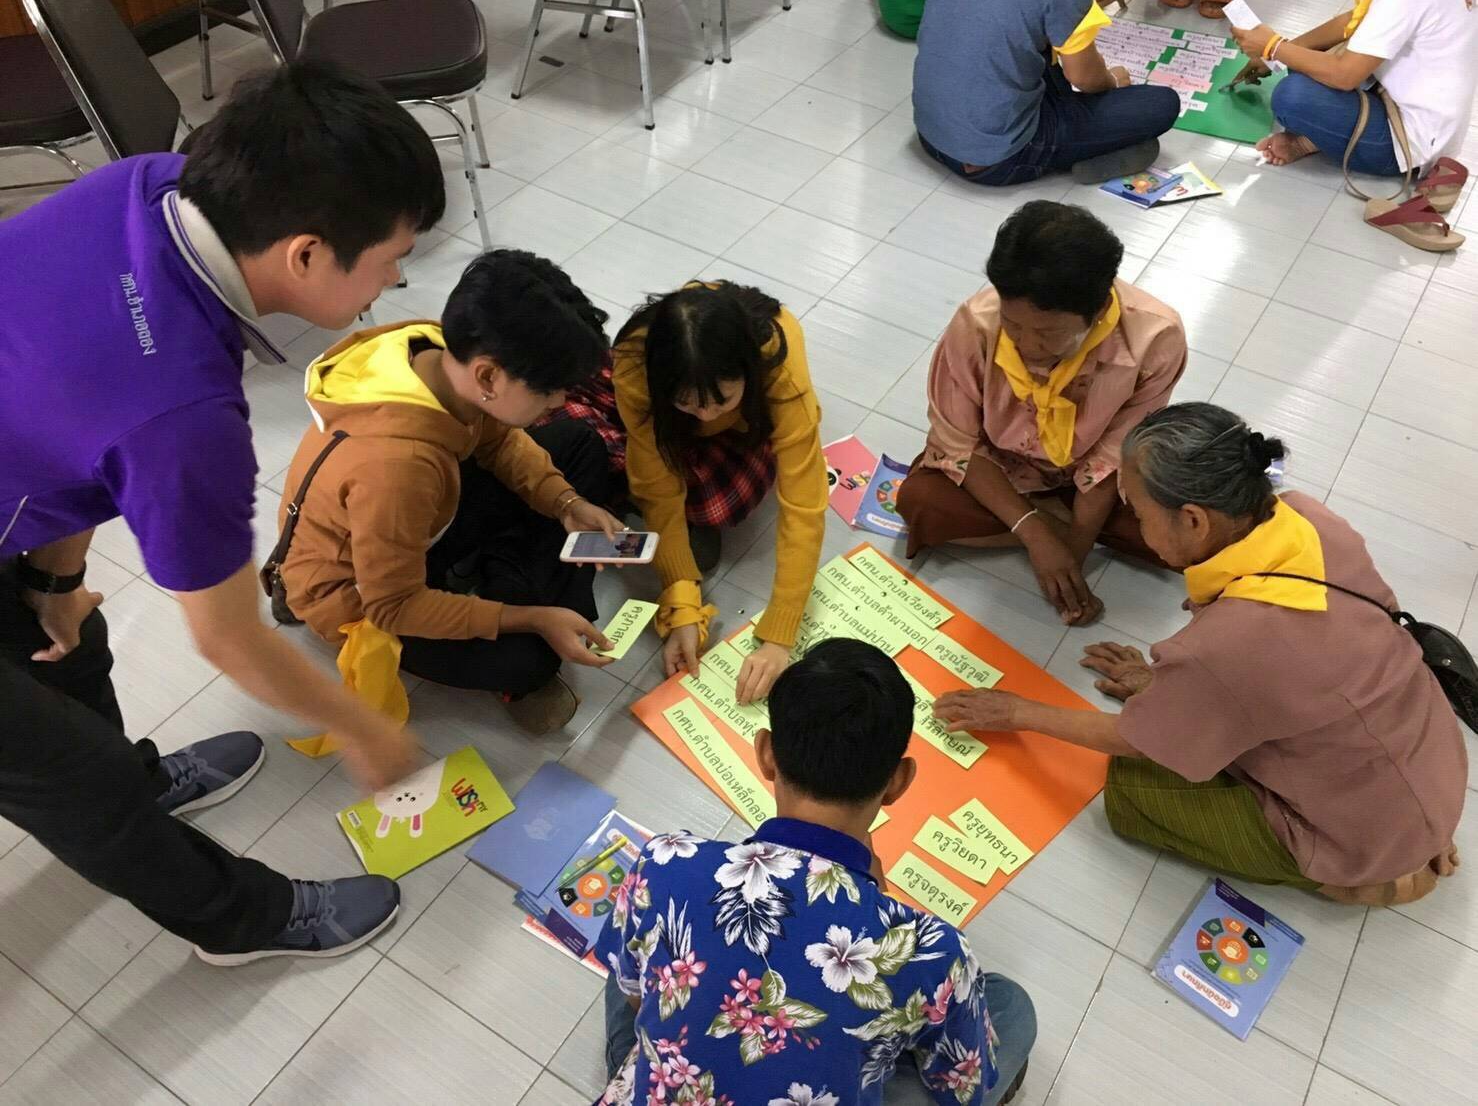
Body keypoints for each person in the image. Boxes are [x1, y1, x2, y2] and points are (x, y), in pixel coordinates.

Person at [0, 62, 444, 965]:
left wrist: (55, 577)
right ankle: (242, 923)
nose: (394, 281)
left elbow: (69, 413)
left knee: (69, 637)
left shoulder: (149, 187)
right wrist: (366, 728)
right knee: (80, 784)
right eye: (391, 259)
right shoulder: (187, 419)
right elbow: (229, 636)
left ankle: (142, 776)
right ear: (306, 254)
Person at [933, 403, 1467, 906]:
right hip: (1431, 763)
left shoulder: (1225, 647)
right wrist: (1170, 688)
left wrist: (1016, 712)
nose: (1137, 526)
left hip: (1364, 831)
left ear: (1193, 519)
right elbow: (1306, 665)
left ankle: (1368, 877)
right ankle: (1417, 833)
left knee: (1132, 792)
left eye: (1139, 513)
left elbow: (1141, 740)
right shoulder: (1308, 517)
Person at [595, 638, 1036, 1105]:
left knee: (636, 942)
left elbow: (636, 1000)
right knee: (1008, 1004)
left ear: (766, 753)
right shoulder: (938, 951)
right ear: (899, 781)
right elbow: (962, 1087)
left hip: (661, 1088)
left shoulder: (664, 860)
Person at [276, 249, 625, 735]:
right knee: (529, 662)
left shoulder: (434, 350)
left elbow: (497, 439)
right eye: (549, 390)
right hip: (364, 594)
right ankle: (526, 596)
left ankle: (513, 581)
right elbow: (394, 606)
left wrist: (566, 503)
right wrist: (530, 618)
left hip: (423, 520)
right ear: (488, 376)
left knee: (579, 444)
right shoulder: (395, 469)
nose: (560, 400)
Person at [897, 201, 1186, 626]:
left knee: (1185, 531)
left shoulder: (1154, 338)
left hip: (1090, 476)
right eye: (1013, 325)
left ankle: (1053, 519)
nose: (1028, 347)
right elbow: (959, 444)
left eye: (1049, 333)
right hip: (1001, 467)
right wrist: (1035, 534)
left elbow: (1113, 457)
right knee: (920, 502)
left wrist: (1074, 550)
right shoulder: (976, 324)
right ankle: (1044, 517)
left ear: (1097, 312)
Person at [549, 281, 829, 706]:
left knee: (717, 506)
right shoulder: (636, 362)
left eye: (721, 400)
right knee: (570, 428)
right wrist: (680, 598)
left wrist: (779, 635)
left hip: (744, 429)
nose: (705, 414)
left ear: (747, 374)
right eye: (688, 402)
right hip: (668, 430)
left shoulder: (779, 365)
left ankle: (639, 482)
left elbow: (804, 504)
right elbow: (658, 488)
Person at [913, 0, 1182, 186]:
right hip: (998, 159)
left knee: (1035, 41)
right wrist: (1112, 80)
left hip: (931, 134)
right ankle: (1085, 153)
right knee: (1162, 103)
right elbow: (1086, 80)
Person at [1229, 0, 1476, 190]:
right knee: (1304, 59)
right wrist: (1277, 52)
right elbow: (1353, 21)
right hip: (1401, 103)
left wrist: (1273, 47)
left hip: (1409, 144)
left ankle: (1314, 140)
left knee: (1293, 96)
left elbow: (1344, 76)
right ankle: (1318, 138)